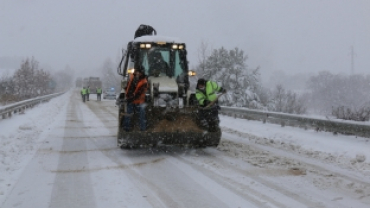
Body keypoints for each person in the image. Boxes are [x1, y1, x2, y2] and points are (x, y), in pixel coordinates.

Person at [123, 67, 148, 132]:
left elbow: (139, 93)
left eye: (139, 72)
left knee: (141, 115)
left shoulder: (144, 82)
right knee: (127, 114)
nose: (137, 73)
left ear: (142, 73)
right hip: (131, 101)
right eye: (137, 72)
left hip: (139, 102)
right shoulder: (132, 78)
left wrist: (131, 98)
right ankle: (126, 129)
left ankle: (142, 129)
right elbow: (129, 88)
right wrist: (127, 95)